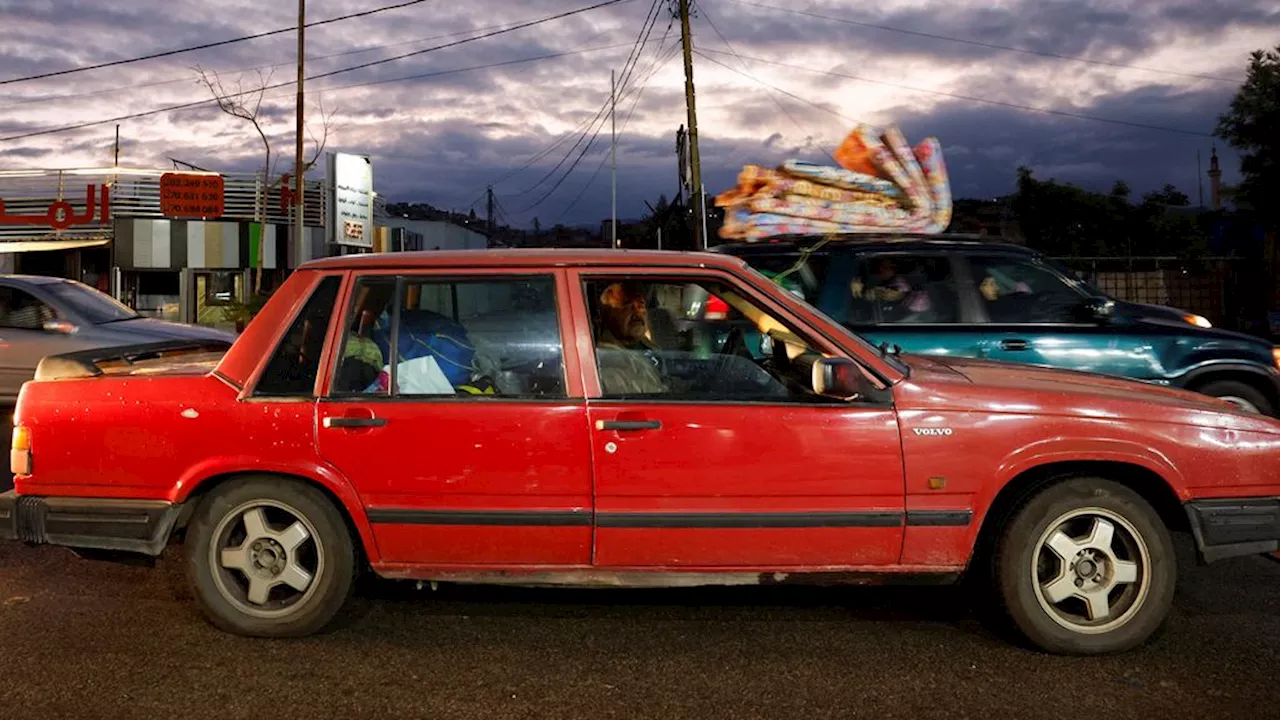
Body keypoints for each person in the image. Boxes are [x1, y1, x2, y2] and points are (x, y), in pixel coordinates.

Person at [595, 281, 667, 395]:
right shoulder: (606, 360)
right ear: (606, 313)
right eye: (627, 305)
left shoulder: (648, 348)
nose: (637, 312)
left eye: (641, 305)